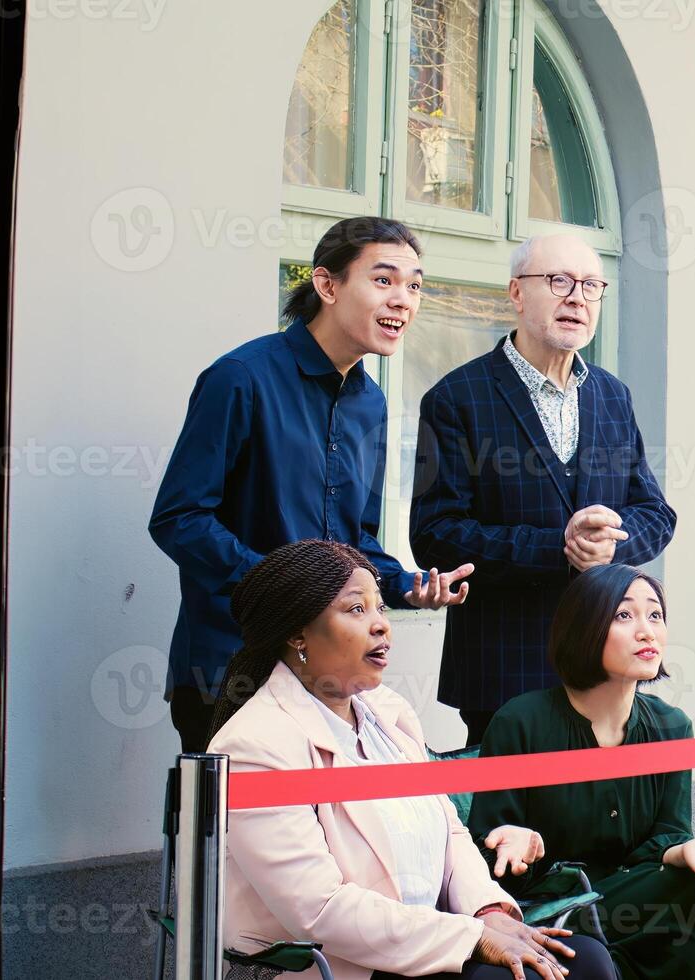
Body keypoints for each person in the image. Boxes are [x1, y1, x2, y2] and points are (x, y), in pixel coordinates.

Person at [205, 539, 615, 980]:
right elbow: (319, 909)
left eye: (380, 608)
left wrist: (489, 910)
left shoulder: (388, 713)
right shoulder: (254, 747)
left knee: (586, 959)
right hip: (348, 965)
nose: (381, 626)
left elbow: (450, 833)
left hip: (434, 940)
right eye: (356, 610)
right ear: (296, 634)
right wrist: (469, 937)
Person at [151, 216, 473, 753]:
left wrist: (405, 585)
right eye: (384, 280)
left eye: (415, 285)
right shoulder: (241, 377)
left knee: (326, 834)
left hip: (328, 671)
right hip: (230, 665)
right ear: (327, 285)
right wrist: (284, 587)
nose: (403, 300)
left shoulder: (371, 401)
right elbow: (178, 520)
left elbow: (356, 541)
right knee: (219, 834)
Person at [411, 233, 676, 746]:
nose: (577, 297)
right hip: (504, 672)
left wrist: (610, 540)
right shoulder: (455, 398)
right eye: (558, 282)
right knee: (511, 828)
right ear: (516, 293)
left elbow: (655, 512)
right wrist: (561, 547)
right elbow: (435, 534)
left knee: (600, 822)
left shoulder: (611, 395)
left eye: (592, 286)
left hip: (606, 669)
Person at [466, 565, 695, 980]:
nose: (647, 631)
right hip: (552, 905)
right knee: (687, 900)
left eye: (655, 615)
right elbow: (481, 856)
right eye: (624, 615)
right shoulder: (521, 722)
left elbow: (668, 833)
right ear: (584, 627)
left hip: (638, 896)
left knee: (690, 888)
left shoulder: (671, 727)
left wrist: (682, 850)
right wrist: (518, 843)